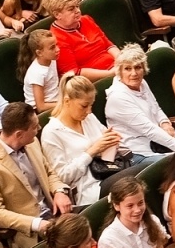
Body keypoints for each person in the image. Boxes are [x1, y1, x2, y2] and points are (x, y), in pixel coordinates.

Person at [0, 101, 73, 248]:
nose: (39, 129)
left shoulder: (31, 142)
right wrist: (36, 224)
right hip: (30, 230)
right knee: (76, 243)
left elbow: (48, 171)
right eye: (35, 127)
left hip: (56, 213)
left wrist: (59, 191)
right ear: (19, 134)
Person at [42, 74, 149, 206]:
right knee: (144, 172)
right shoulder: (52, 132)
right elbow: (63, 177)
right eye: (84, 106)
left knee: (152, 168)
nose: (89, 111)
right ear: (67, 101)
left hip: (111, 169)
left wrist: (111, 142)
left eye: (91, 105)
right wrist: (92, 151)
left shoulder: (89, 118)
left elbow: (105, 143)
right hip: (89, 189)